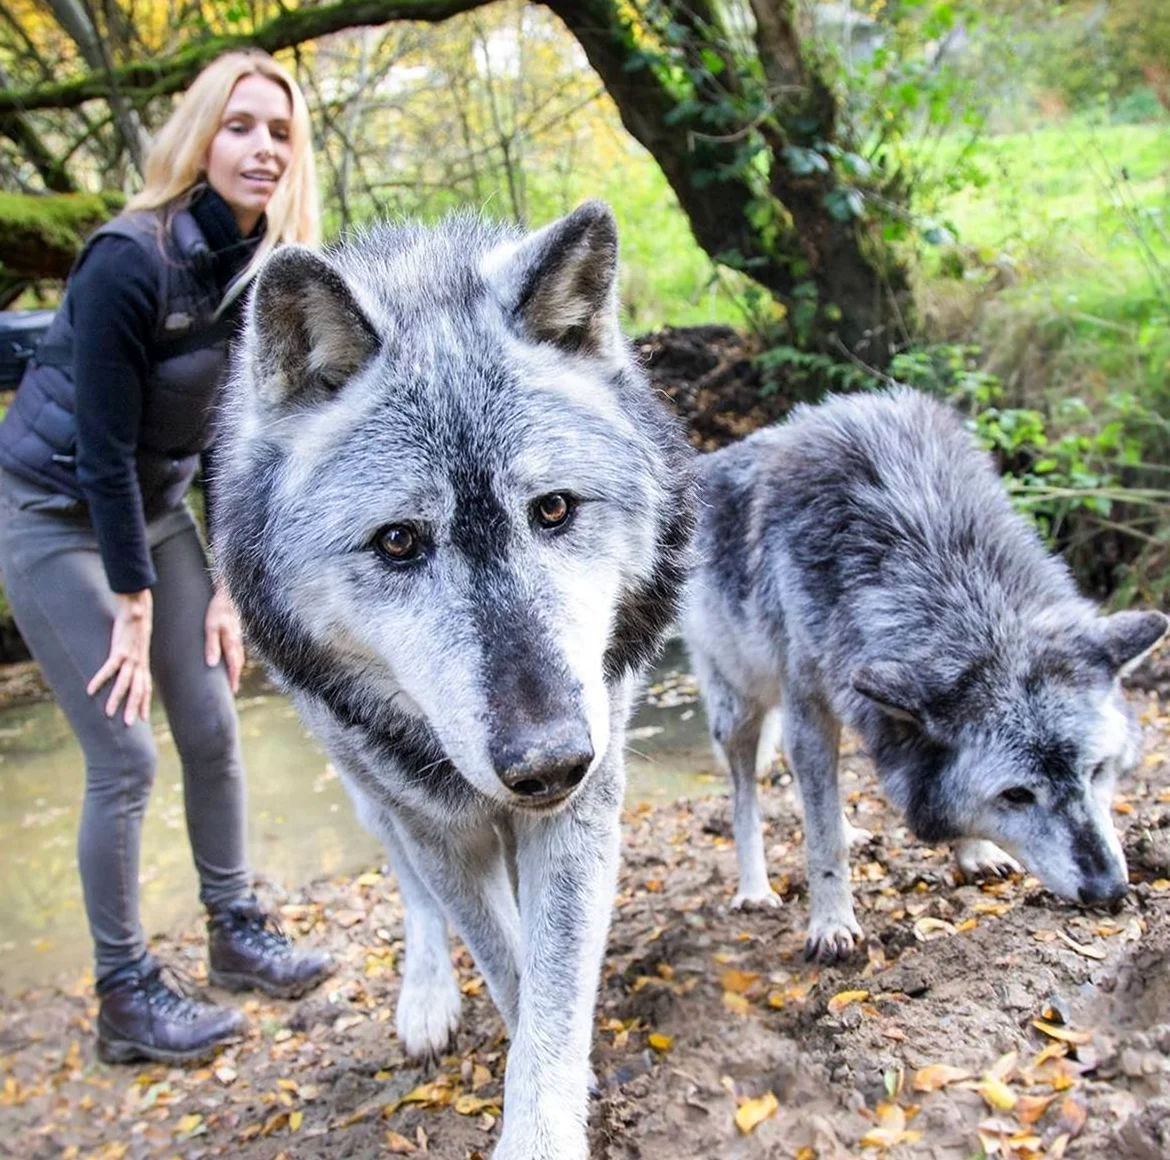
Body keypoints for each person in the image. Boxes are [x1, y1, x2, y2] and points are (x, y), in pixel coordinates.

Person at [0, 50, 335, 1064]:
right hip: (53, 509)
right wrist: (136, 606)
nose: (262, 148)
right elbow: (99, 448)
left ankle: (235, 931)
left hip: (155, 510)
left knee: (214, 723)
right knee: (125, 753)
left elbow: (241, 440)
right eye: (240, 126)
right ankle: (125, 993)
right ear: (200, 139)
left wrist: (227, 587)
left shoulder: (269, 269)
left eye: (279, 132)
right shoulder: (125, 258)